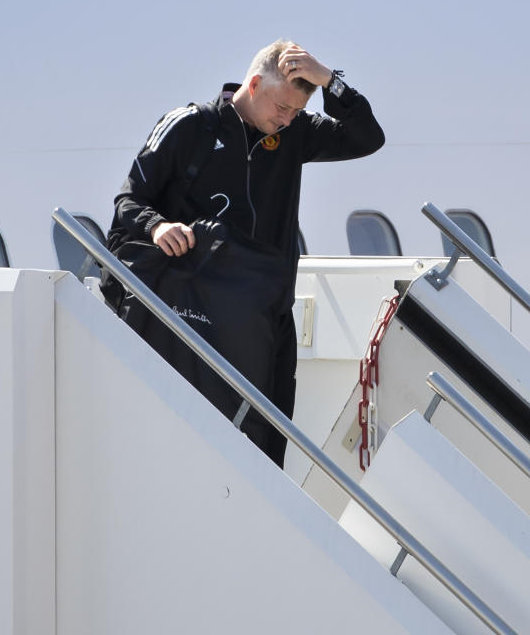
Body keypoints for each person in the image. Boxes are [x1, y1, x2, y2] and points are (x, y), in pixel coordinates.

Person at [105, 40, 384, 467]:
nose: (287, 118)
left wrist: (331, 80)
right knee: (191, 444)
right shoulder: (190, 126)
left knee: (266, 450)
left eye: (295, 111)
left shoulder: (293, 133)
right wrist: (159, 226)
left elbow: (368, 137)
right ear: (254, 85)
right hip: (196, 316)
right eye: (281, 107)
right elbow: (128, 201)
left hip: (264, 315)